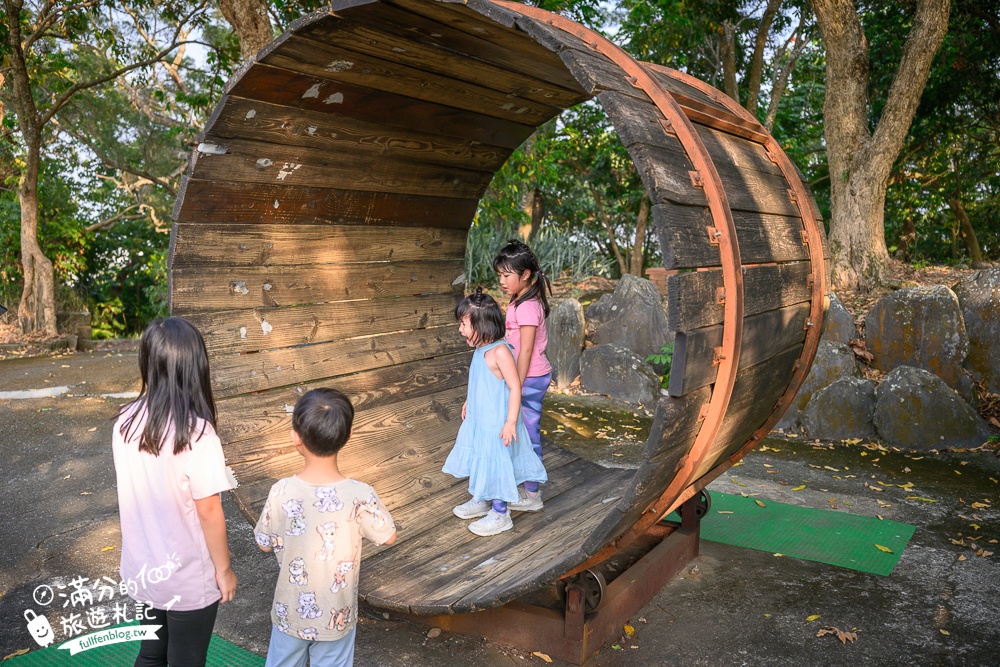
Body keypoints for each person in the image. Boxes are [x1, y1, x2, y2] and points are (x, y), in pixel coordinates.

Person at [113, 316, 237, 667]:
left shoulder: (125, 420)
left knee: (151, 653)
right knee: (187, 659)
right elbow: (209, 510)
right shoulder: (197, 435)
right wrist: (224, 570)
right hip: (187, 575)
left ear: (147, 362)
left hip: (143, 568)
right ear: (196, 366)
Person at [255, 388, 397, 667]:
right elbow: (389, 535)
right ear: (349, 436)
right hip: (338, 613)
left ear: (295, 436)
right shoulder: (360, 494)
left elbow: (263, 542)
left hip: (289, 612)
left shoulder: (281, 490)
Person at [443, 289, 548, 536]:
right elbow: (479, 380)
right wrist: (470, 400)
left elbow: (514, 387)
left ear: (483, 325)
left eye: (464, 324)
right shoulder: (481, 350)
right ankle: (482, 497)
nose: (460, 329)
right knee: (481, 459)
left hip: (498, 423)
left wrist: (511, 422)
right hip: (481, 420)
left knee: (496, 465)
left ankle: (500, 514)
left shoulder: (500, 351)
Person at [493, 239, 552, 513]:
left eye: (507, 275)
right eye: (500, 276)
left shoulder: (528, 306)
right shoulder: (520, 299)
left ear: (525, 274)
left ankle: (532, 494)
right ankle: (525, 485)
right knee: (520, 432)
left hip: (528, 377)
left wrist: (513, 382)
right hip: (523, 376)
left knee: (528, 435)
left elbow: (526, 350)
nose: (502, 281)